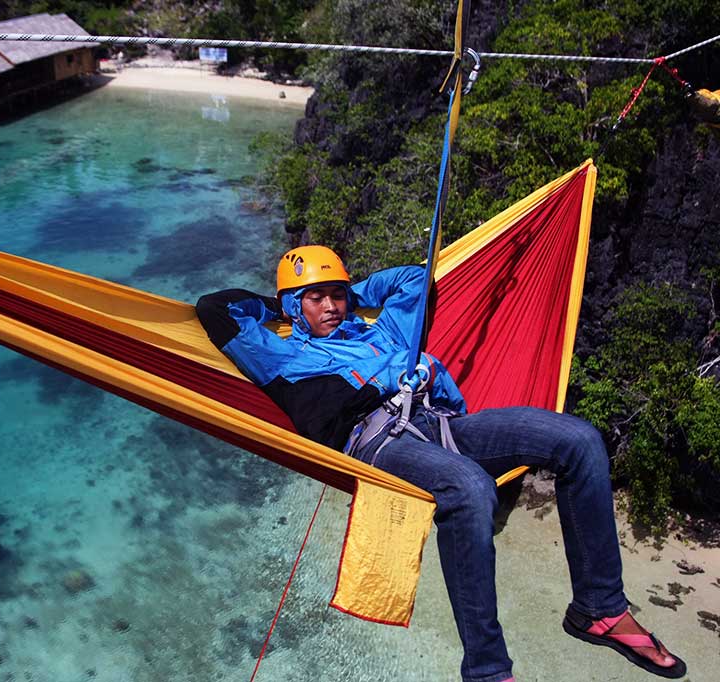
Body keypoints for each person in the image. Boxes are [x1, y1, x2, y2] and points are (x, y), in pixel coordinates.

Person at [196, 245, 686, 682]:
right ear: (292, 305)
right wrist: (279, 306)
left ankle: (599, 609)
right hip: (377, 441)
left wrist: (353, 294)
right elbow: (215, 309)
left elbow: (413, 279)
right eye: (315, 298)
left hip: (441, 423)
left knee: (578, 440)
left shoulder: (380, 329)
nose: (330, 306)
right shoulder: (280, 354)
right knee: (471, 489)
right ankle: (487, 670)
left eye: (336, 295)